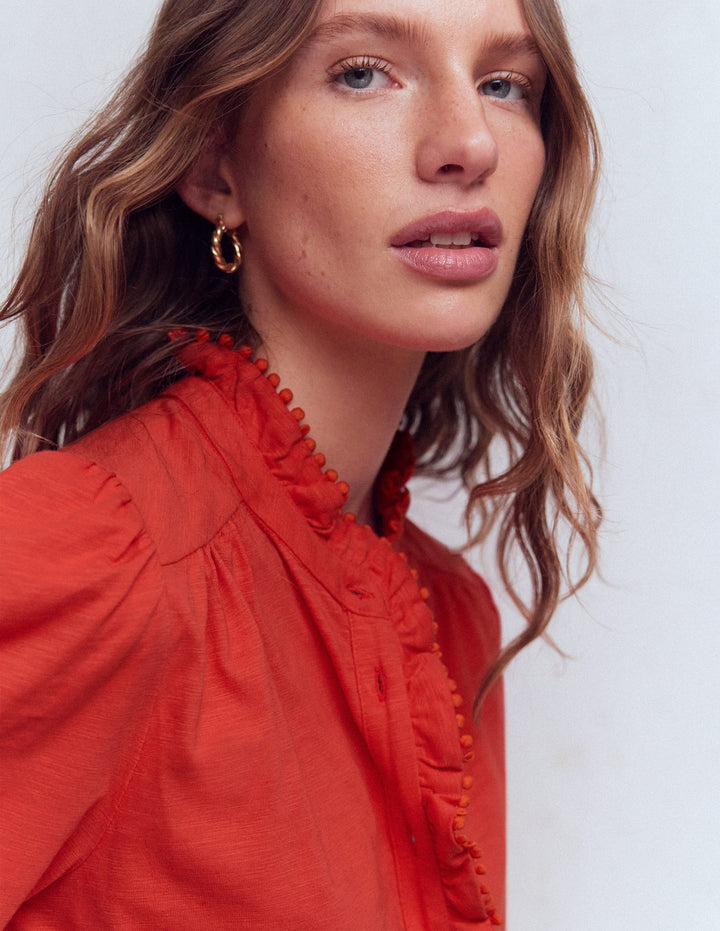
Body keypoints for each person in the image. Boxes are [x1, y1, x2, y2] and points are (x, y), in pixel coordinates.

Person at [0, 0, 600, 926]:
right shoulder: (79, 555)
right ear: (215, 166)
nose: (470, 141)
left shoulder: (453, 620)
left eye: (504, 84)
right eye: (363, 72)